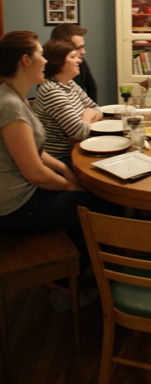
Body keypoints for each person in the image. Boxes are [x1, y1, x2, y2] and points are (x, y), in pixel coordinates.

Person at [0, 31, 117, 307]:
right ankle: (65, 282)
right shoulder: (11, 106)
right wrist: (69, 186)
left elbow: (37, 151)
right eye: (41, 55)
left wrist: (67, 174)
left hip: (27, 194)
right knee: (102, 208)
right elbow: (34, 172)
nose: (45, 61)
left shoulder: (14, 96)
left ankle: (82, 267)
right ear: (26, 61)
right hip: (17, 207)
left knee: (91, 198)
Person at [33, 38, 102, 167]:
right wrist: (87, 114)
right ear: (58, 62)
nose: (79, 60)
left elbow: (97, 109)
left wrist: (83, 123)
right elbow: (79, 132)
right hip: (61, 159)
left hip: (76, 149)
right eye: (72, 57)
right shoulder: (52, 91)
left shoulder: (69, 83)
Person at [51, 23, 98, 102]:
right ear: (60, 48)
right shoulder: (48, 76)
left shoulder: (81, 63)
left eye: (83, 47)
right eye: (78, 48)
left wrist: (92, 107)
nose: (83, 52)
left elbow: (91, 87)